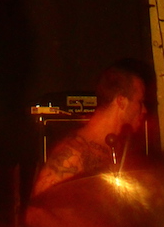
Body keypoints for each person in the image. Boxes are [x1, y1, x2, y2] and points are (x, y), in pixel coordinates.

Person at [31, 66, 146, 197]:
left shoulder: (120, 149)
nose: (144, 110)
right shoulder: (72, 154)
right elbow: (40, 206)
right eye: (140, 102)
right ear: (121, 101)